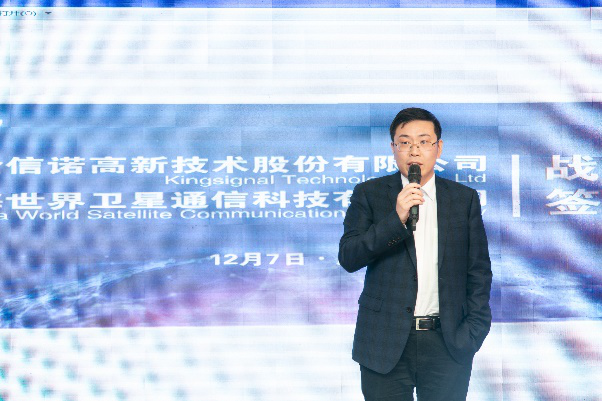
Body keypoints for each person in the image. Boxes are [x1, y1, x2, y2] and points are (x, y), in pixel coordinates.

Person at [338, 107, 492, 401]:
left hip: (448, 342)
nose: (414, 151)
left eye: (423, 141)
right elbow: (349, 257)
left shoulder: (463, 199)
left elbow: (479, 271)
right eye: (405, 142)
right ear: (393, 148)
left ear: (438, 147)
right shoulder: (369, 194)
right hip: (383, 342)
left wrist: (472, 331)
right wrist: (395, 219)